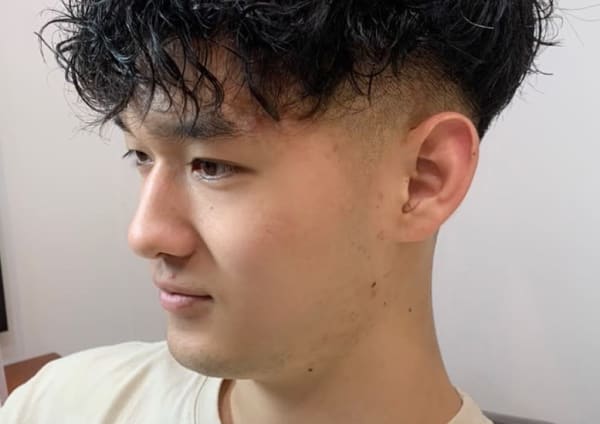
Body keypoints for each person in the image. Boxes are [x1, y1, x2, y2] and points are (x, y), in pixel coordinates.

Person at [0, 1, 556, 423]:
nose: (144, 234)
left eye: (211, 165)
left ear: (422, 180)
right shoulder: (56, 403)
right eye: (140, 155)